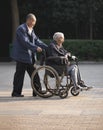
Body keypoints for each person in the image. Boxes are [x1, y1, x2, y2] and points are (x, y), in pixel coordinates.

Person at [11, 13, 48, 97]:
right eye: (34, 21)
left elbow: (37, 40)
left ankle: (37, 91)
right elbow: (25, 42)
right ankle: (16, 93)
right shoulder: (21, 29)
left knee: (34, 74)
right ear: (29, 20)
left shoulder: (31, 29)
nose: (34, 23)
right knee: (19, 76)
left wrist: (48, 48)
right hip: (21, 57)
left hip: (29, 57)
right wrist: (36, 48)